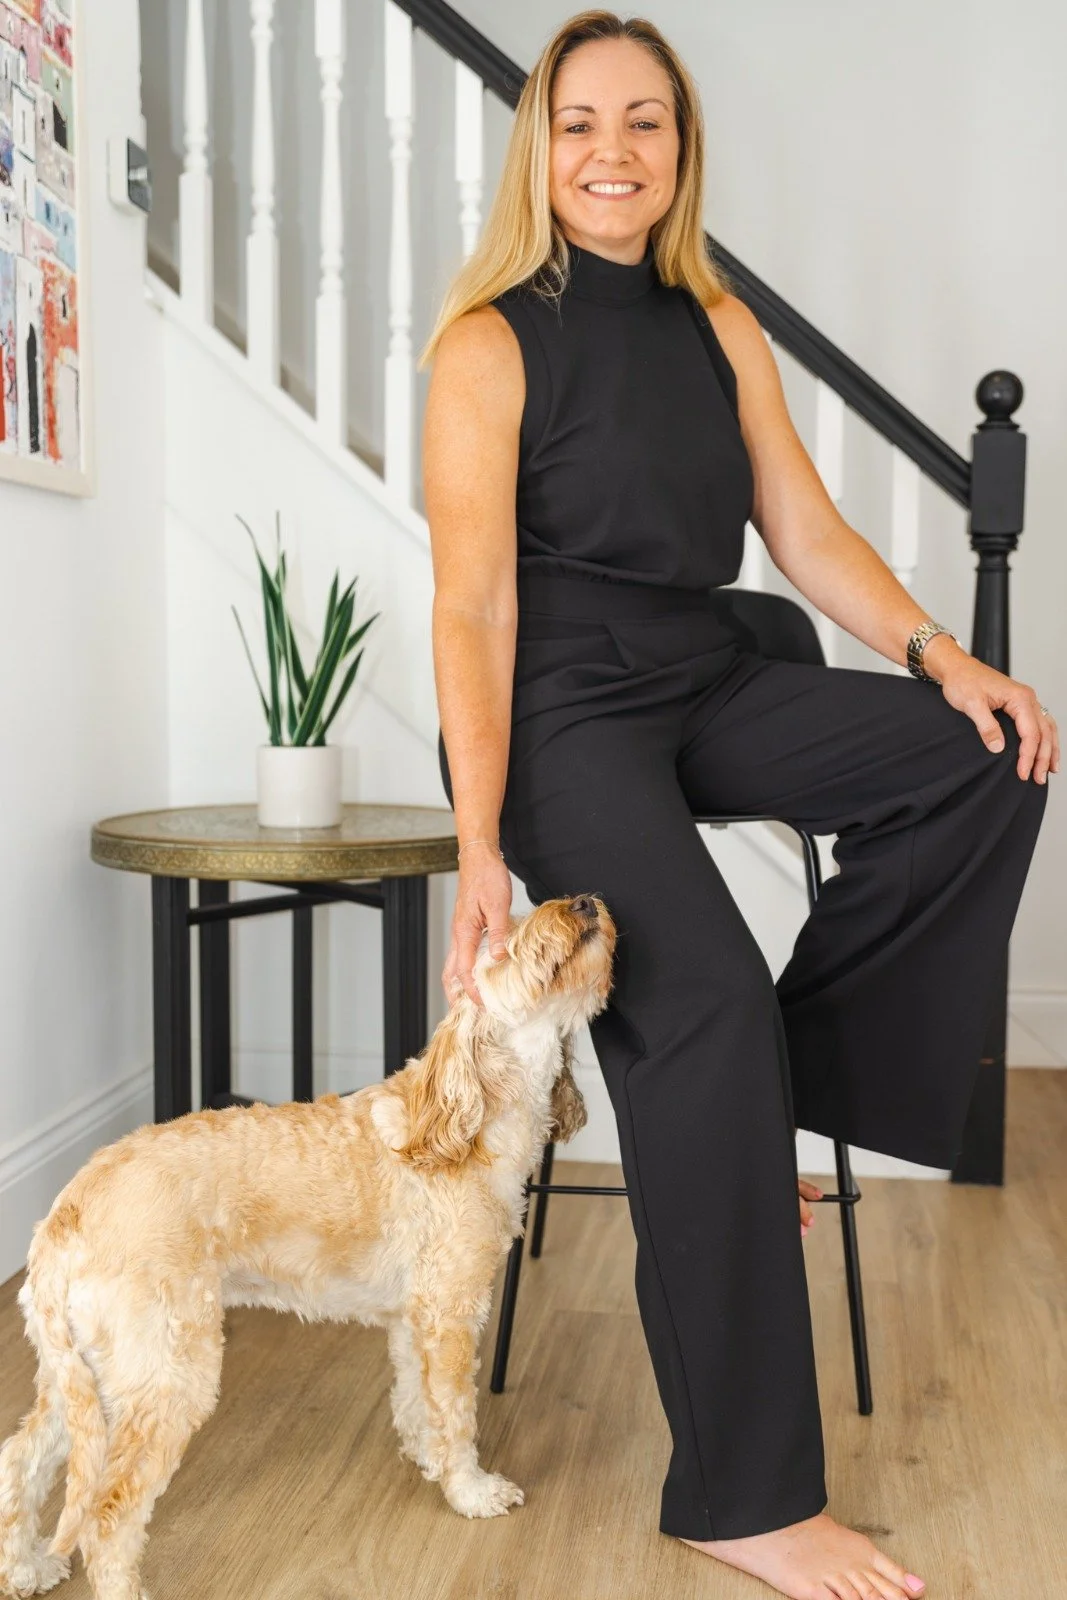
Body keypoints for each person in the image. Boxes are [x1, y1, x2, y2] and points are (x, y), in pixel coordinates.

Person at [418, 12, 1056, 1600]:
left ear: (680, 148)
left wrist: (939, 654)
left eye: (643, 122)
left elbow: (806, 531)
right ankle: (742, 1494)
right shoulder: (485, 343)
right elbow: (472, 611)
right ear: (537, 146)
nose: (611, 151)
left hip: (703, 669)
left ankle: (763, 1096)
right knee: (695, 1006)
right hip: (557, 702)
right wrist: (482, 845)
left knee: (983, 757)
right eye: (578, 124)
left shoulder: (717, 322)